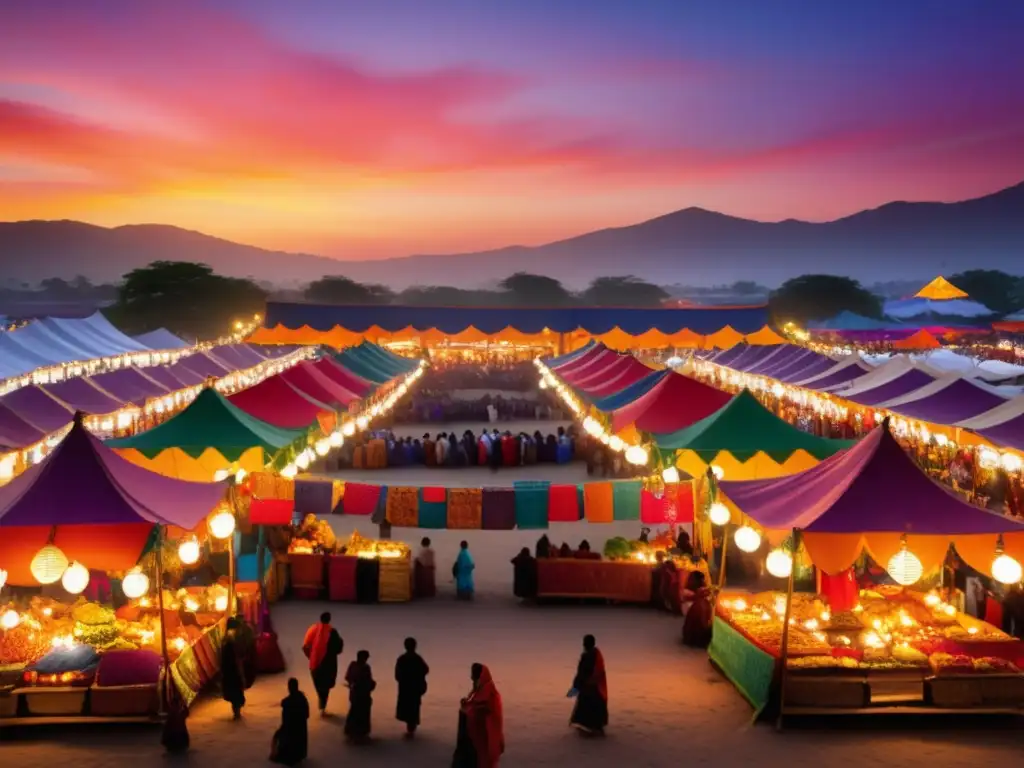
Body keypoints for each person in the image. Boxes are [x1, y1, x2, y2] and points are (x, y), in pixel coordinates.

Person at [455, 663, 504, 767]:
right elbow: (475, 703)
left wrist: (469, 709)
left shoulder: (489, 692)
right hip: (477, 733)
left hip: (483, 734)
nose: (472, 679)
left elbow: (484, 709)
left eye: (473, 676)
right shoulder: (481, 688)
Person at [302, 611, 344, 716]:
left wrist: (310, 657)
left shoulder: (312, 629)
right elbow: (338, 648)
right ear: (329, 619)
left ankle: (321, 703)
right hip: (328, 663)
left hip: (314, 663)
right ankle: (322, 706)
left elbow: (305, 646)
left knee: (318, 684)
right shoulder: (332, 632)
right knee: (325, 686)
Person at [569, 634, 608, 735]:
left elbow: (582, 672)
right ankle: (597, 726)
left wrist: (576, 685)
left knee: (587, 706)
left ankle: (588, 728)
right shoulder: (597, 654)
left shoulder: (587, 656)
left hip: (589, 686)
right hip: (597, 686)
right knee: (596, 707)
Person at [395, 637, 430, 737]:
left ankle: (410, 729)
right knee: (413, 709)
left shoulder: (402, 659)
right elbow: (426, 670)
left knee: (408, 708)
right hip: (414, 688)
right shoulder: (417, 658)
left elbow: (397, 675)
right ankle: (411, 728)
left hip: (406, 689)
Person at [271, 678, 309, 766]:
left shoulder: (287, 702)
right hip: (300, 730)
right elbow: (307, 715)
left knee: (278, 736)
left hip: (289, 730)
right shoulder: (303, 699)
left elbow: (285, 720)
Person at [344, 650, 376, 742]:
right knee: (362, 714)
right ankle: (360, 732)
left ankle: (352, 731)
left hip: (354, 694)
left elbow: (348, 677)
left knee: (354, 712)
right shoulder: (365, 668)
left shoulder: (353, 665)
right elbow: (367, 682)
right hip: (362, 695)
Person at [220, 616, 247, 719]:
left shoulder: (225, 639)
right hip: (233, 670)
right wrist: (241, 674)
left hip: (228, 670)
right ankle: (237, 713)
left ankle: (236, 712)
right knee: (236, 691)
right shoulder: (232, 640)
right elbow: (237, 658)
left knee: (233, 691)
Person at [681, 571, 713, 648]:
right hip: (696, 633)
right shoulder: (693, 597)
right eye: (702, 580)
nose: (703, 581)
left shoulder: (702, 601)